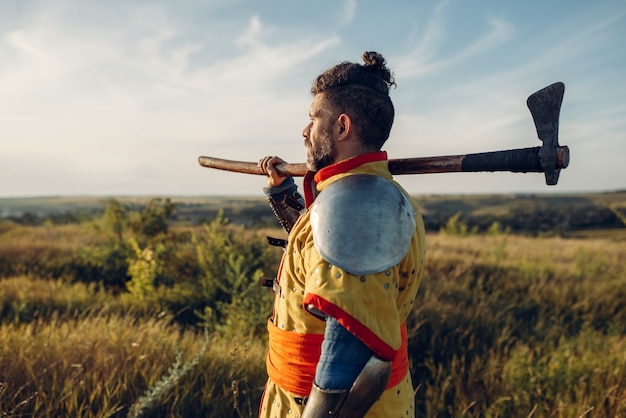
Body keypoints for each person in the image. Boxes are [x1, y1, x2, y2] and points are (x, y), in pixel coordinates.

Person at [257, 51, 426, 418]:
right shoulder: (361, 198)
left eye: (313, 119)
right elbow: (318, 256)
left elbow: (348, 350)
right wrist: (283, 194)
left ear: (342, 127)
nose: (304, 132)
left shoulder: (355, 208)